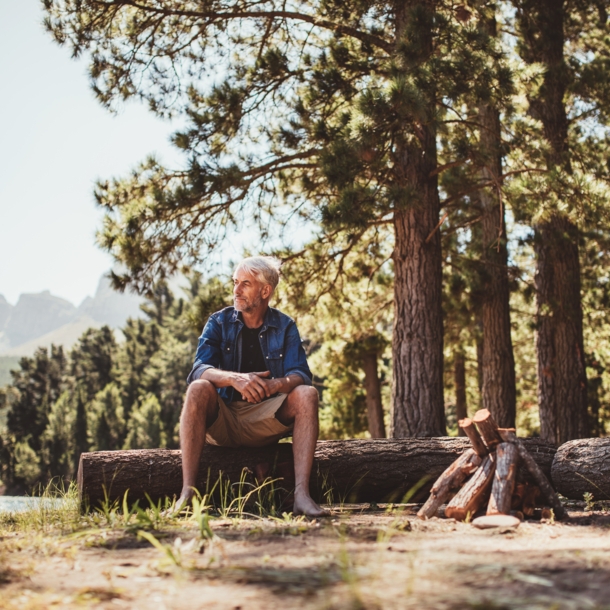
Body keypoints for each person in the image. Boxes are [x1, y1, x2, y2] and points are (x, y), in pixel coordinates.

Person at [178, 256, 326, 517]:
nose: (236, 290)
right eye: (235, 282)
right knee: (198, 389)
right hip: (222, 419)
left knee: (307, 394)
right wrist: (235, 378)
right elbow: (199, 370)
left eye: (245, 283)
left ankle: (302, 495)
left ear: (265, 291)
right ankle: (187, 494)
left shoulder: (285, 326)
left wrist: (275, 385)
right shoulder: (218, 322)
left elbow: (302, 375)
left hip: (264, 421)